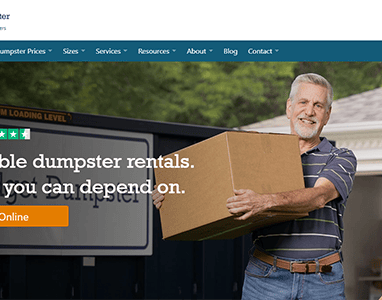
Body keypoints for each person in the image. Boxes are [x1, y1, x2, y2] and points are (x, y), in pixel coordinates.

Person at [153, 73, 357, 300]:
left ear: (327, 115)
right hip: (266, 278)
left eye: (318, 105)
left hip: (322, 281)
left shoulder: (341, 157)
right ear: (289, 108)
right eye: (303, 102)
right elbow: (215, 189)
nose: (309, 111)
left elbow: (319, 196)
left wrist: (264, 201)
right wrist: (175, 197)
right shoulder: (259, 156)